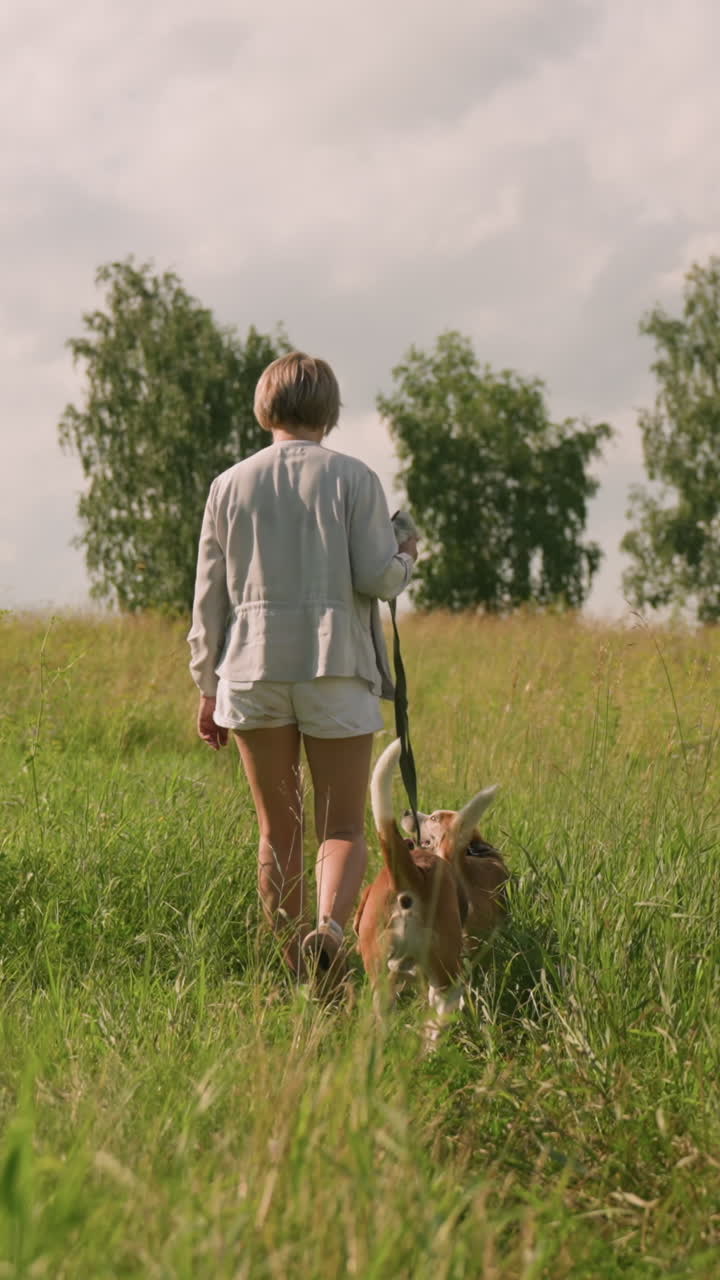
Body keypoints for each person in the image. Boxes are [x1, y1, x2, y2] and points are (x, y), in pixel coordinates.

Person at [187, 351, 417, 990]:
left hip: (253, 668)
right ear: (329, 410)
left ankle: (295, 972)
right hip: (336, 666)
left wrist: (207, 685)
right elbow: (377, 577)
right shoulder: (354, 478)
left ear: (266, 405)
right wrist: (406, 555)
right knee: (340, 825)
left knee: (277, 831)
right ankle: (333, 933)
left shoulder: (228, 486)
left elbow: (209, 597)